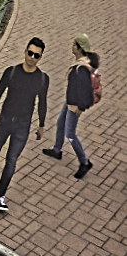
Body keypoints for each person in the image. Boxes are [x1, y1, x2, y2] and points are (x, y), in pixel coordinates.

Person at [0, 38, 49, 213]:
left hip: (23, 125)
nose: (32, 57)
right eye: (30, 53)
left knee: (11, 161)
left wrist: (41, 124)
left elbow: (42, 103)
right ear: (25, 51)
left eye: (37, 55)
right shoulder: (11, 73)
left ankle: (0, 197)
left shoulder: (42, 79)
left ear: (40, 57)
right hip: (5, 120)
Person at [43, 34, 98, 179]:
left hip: (75, 106)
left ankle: (84, 162)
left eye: (74, 45)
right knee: (60, 123)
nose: (72, 46)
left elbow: (87, 92)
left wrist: (81, 107)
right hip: (70, 102)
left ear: (79, 48)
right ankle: (57, 150)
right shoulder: (81, 63)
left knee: (70, 134)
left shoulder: (82, 69)